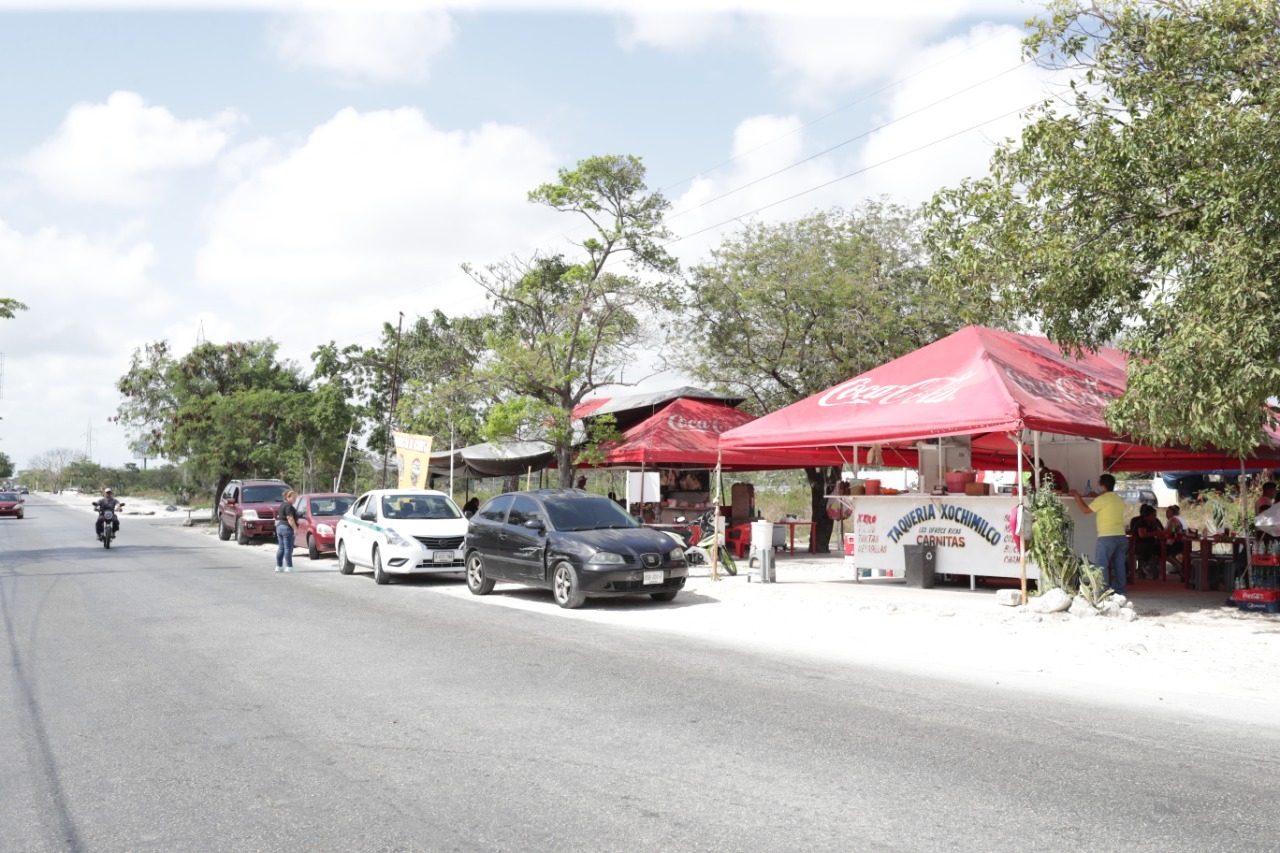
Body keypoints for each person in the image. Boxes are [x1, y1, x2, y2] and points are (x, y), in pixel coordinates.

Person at [1069, 473, 1128, 594]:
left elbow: (1085, 510)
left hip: (1106, 537)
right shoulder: (1117, 498)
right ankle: (1120, 591)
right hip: (1121, 536)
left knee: (1102, 565)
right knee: (1119, 565)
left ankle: (1103, 591)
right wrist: (1097, 496)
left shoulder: (1102, 499)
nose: (1098, 487)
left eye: (1099, 485)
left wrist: (1077, 496)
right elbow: (1107, 504)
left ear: (1103, 487)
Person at [1128, 503, 1163, 580]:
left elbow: (1160, 531)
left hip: (1149, 543)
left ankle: (1153, 565)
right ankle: (1146, 564)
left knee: (1159, 548)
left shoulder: (1153, 523)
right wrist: (1155, 533)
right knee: (1148, 548)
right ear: (1147, 516)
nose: (1155, 517)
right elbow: (1142, 535)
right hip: (1138, 544)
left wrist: (1159, 532)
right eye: (1153, 515)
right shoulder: (1141, 522)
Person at [276, 489, 299, 572]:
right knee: (288, 548)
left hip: (279, 527)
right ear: (288, 497)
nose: (295, 500)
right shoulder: (289, 506)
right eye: (294, 498)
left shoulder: (282, 505)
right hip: (287, 528)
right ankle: (289, 566)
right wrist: (295, 529)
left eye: (296, 498)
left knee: (281, 548)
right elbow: (290, 518)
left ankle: (279, 566)